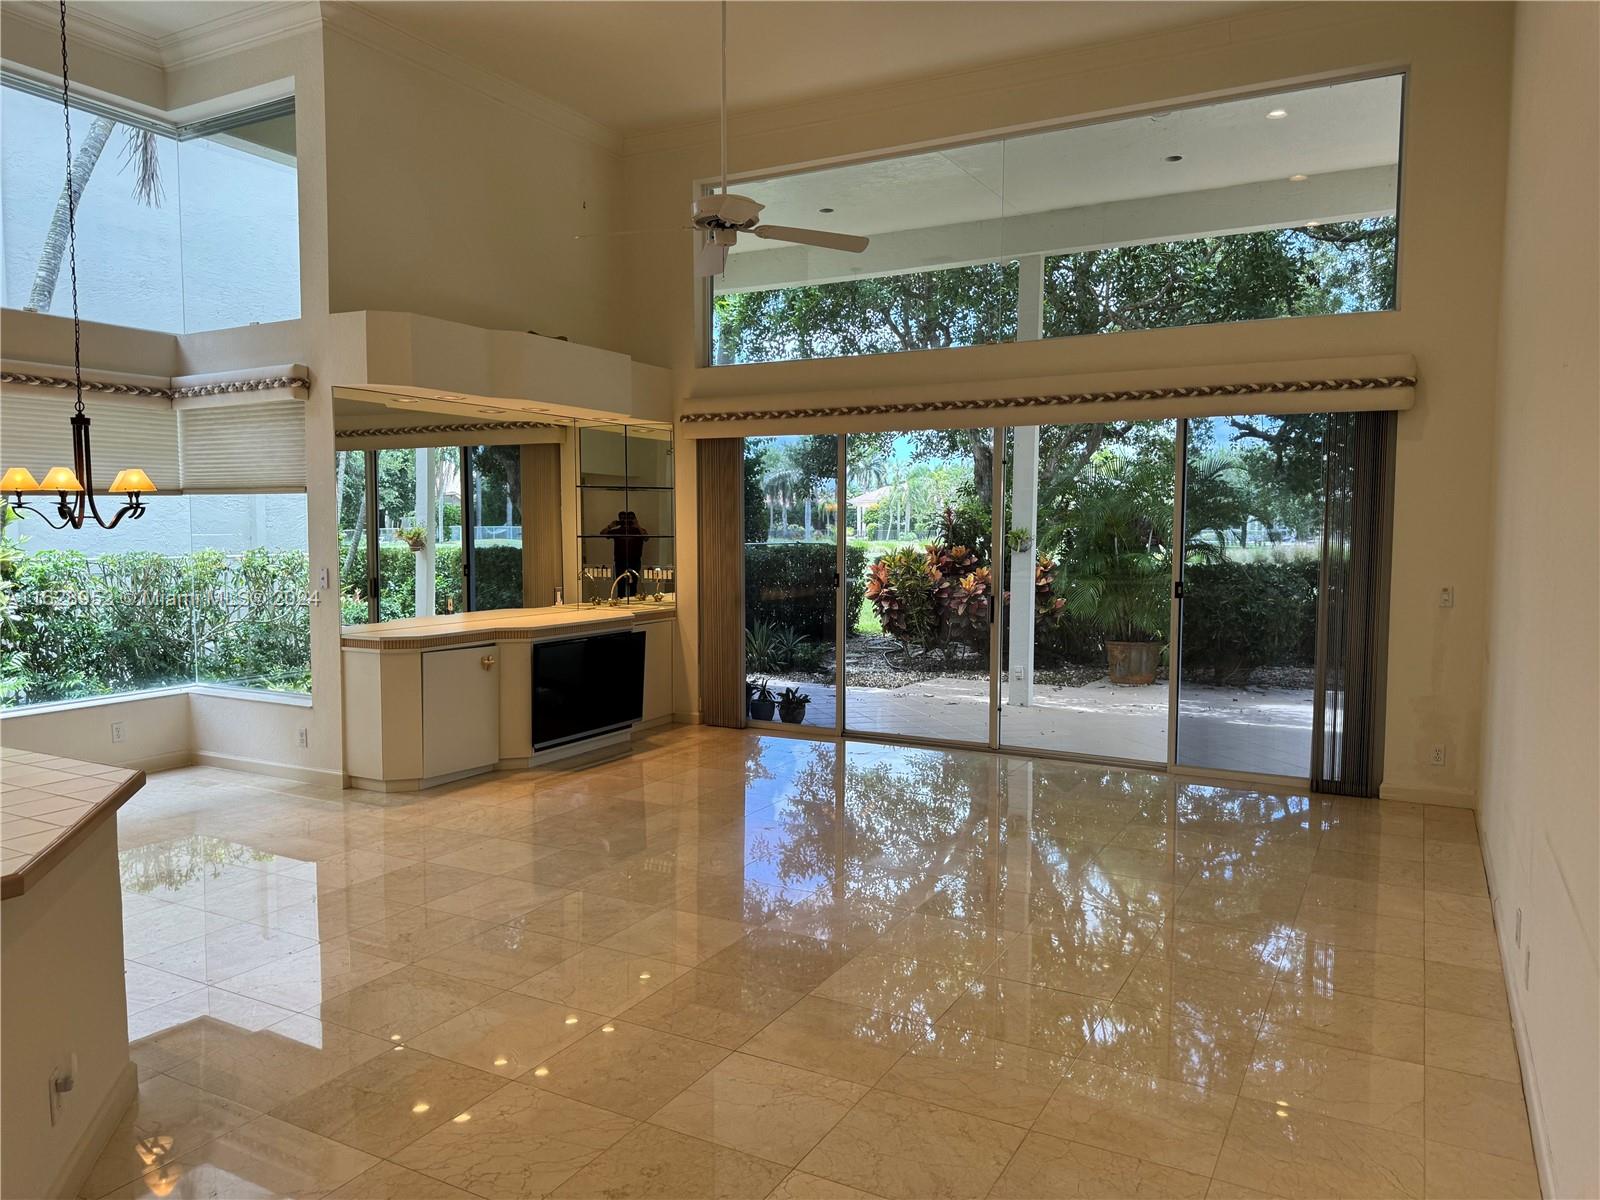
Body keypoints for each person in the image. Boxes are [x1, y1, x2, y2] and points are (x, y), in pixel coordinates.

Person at [600, 510, 647, 596]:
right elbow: (602, 533)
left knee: (633, 586)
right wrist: (610, 526)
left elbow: (646, 538)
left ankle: (633, 604)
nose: (626, 521)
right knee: (620, 586)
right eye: (623, 519)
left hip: (634, 561)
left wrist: (637, 525)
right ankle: (620, 604)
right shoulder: (618, 530)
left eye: (629, 519)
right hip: (620, 561)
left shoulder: (638, 531)